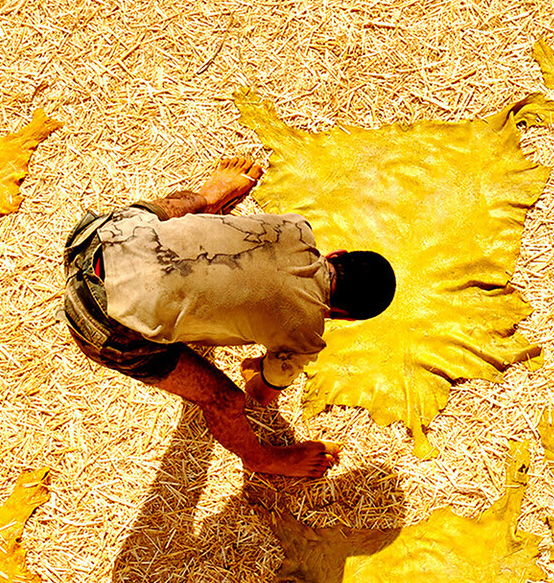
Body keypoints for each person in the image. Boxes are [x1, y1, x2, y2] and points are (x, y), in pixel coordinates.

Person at [62, 156, 396, 478]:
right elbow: (259, 395)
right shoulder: (305, 337)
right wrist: (259, 370)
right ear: (345, 318)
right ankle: (260, 460)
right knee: (226, 400)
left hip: (97, 237)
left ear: (336, 254)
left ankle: (208, 198)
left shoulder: (295, 227)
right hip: (95, 317)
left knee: (181, 218)